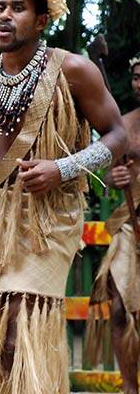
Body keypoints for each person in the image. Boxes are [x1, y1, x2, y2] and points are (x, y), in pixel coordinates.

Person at [0, 0, 128, 393]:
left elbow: (117, 136)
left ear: (42, 19)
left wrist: (63, 167)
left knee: (20, 320)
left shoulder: (74, 70)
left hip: (51, 217)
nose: (4, 16)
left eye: (17, 8)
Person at [85, 54, 140, 394]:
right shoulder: (125, 125)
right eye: (136, 76)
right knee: (120, 308)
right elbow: (103, 180)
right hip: (129, 227)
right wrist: (114, 176)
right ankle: (129, 388)